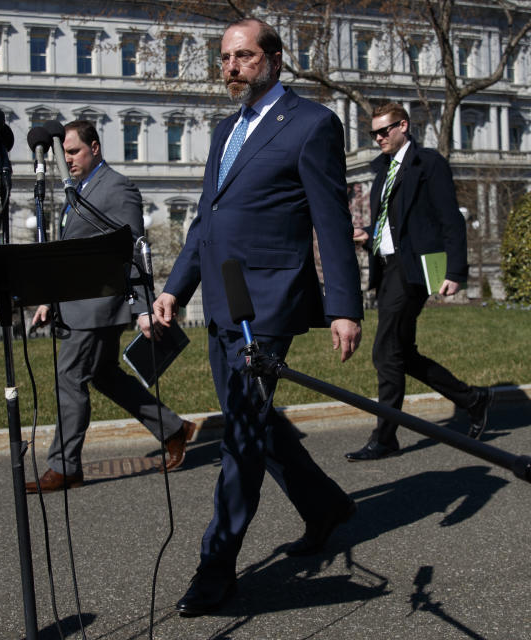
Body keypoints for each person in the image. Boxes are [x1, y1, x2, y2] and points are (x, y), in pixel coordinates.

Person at [152, 18, 364, 615]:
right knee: (254, 421)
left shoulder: (312, 124)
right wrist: (174, 289)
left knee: (241, 437)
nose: (231, 66)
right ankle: (324, 505)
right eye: (224, 57)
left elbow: (330, 221)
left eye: (243, 55)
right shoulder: (225, 131)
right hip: (221, 297)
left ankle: (216, 569)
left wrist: (344, 307)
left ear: (273, 59)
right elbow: (207, 221)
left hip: (268, 304)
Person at [26, 120, 196, 494]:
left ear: (95, 148)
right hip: (78, 305)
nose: (66, 159)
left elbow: (133, 249)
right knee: (103, 375)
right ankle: (173, 428)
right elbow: (74, 256)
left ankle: (65, 466)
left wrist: (142, 308)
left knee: (69, 378)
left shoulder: (116, 187)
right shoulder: (78, 190)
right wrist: (50, 299)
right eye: (64, 153)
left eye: (73, 151)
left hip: (99, 308)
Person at [346, 103, 494, 461]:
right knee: (402, 354)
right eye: (374, 133)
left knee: (385, 353)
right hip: (387, 266)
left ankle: (385, 437)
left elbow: (450, 220)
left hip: (412, 270)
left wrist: (456, 272)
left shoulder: (428, 163)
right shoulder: (382, 169)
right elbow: (392, 223)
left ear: (404, 126)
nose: (378, 138)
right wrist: (368, 235)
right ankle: (472, 399)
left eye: (384, 131)